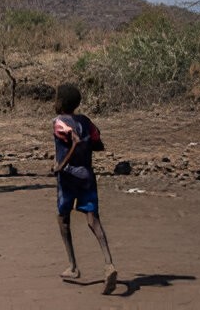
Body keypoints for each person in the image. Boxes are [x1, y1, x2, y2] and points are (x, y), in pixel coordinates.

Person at [52, 83, 117, 295]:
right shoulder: (86, 121)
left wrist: (61, 164)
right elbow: (99, 144)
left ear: (61, 103)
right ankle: (109, 264)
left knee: (63, 218)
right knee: (93, 220)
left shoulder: (59, 122)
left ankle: (72, 266)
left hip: (68, 177)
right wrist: (85, 144)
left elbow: (75, 142)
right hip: (87, 176)